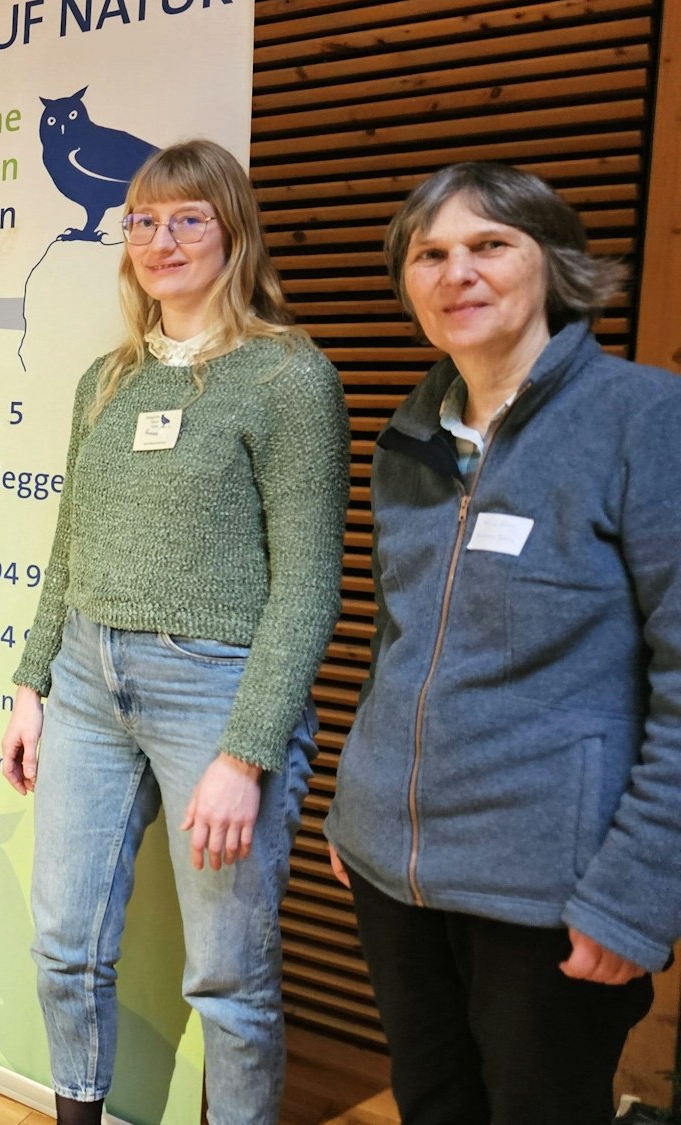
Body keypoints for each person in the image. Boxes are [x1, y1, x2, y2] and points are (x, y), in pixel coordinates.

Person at [0, 139, 348, 1125]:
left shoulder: (286, 377)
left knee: (227, 979)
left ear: (232, 232)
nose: (161, 239)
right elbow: (68, 541)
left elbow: (307, 584)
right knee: (62, 947)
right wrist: (31, 684)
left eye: (188, 217)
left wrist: (247, 749)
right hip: (84, 682)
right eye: (142, 220)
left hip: (217, 693)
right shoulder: (104, 379)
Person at [326, 163, 681, 1125]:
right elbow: (398, 639)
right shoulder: (410, 433)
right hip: (391, 870)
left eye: (490, 245)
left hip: (551, 891)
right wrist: (359, 806)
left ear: (553, 265)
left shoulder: (644, 419)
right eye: (430, 254)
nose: (457, 273)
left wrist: (639, 893)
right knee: (434, 1103)